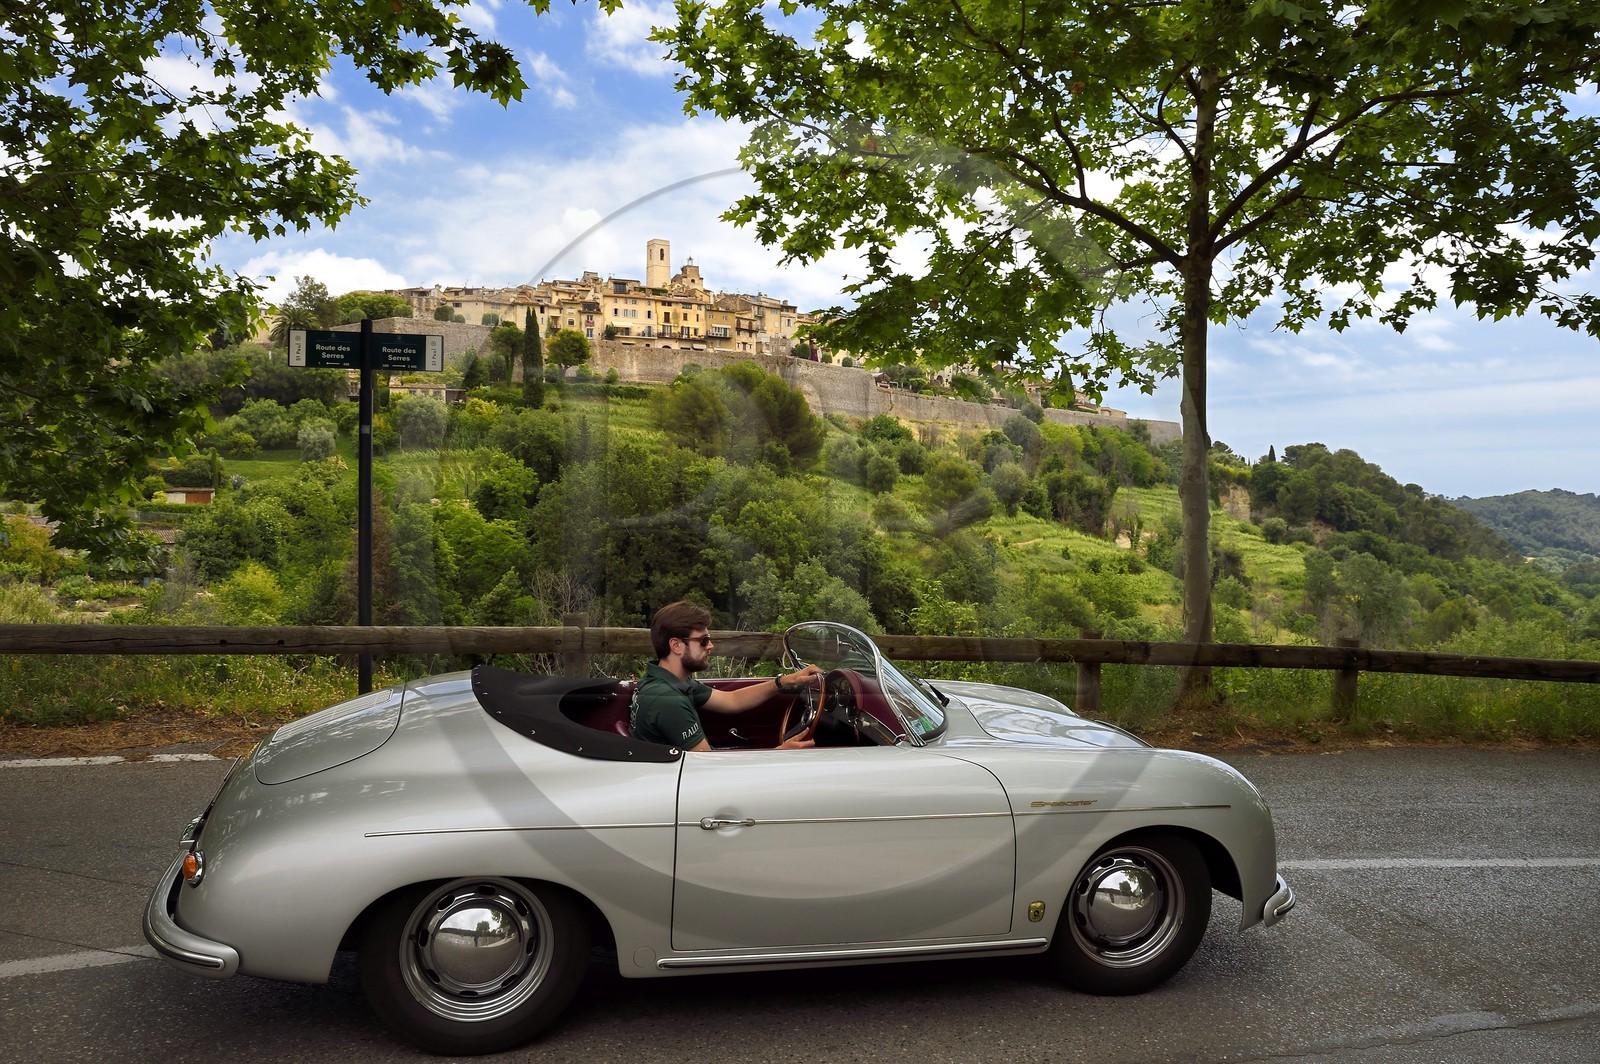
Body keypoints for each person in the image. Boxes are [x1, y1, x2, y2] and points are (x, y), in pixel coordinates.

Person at [630, 600, 821, 750]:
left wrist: (784, 681)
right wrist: (779, 753)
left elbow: (732, 700)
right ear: (676, 645)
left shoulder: (669, 681)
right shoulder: (667, 700)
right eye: (703, 640)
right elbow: (710, 768)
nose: (711, 646)